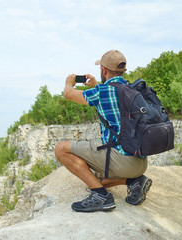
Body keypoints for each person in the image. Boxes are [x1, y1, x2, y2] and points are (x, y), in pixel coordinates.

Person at [55, 50, 152, 212]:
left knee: (61, 149)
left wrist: (69, 82)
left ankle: (101, 196)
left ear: (104, 70)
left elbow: (69, 94)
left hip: (123, 161)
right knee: (94, 176)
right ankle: (135, 182)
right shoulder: (131, 88)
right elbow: (111, 97)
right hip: (140, 162)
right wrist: (96, 85)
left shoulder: (102, 92)